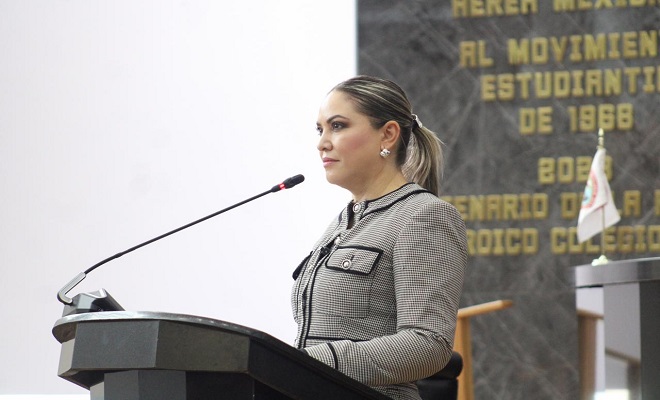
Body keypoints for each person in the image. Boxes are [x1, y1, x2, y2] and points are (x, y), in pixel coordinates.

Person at [291, 75, 468, 400]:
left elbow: (429, 344)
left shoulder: (424, 215)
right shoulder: (343, 222)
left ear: (388, 134)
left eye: (338, 126)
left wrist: (313, 363)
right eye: (320, 130)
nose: (322, 143)